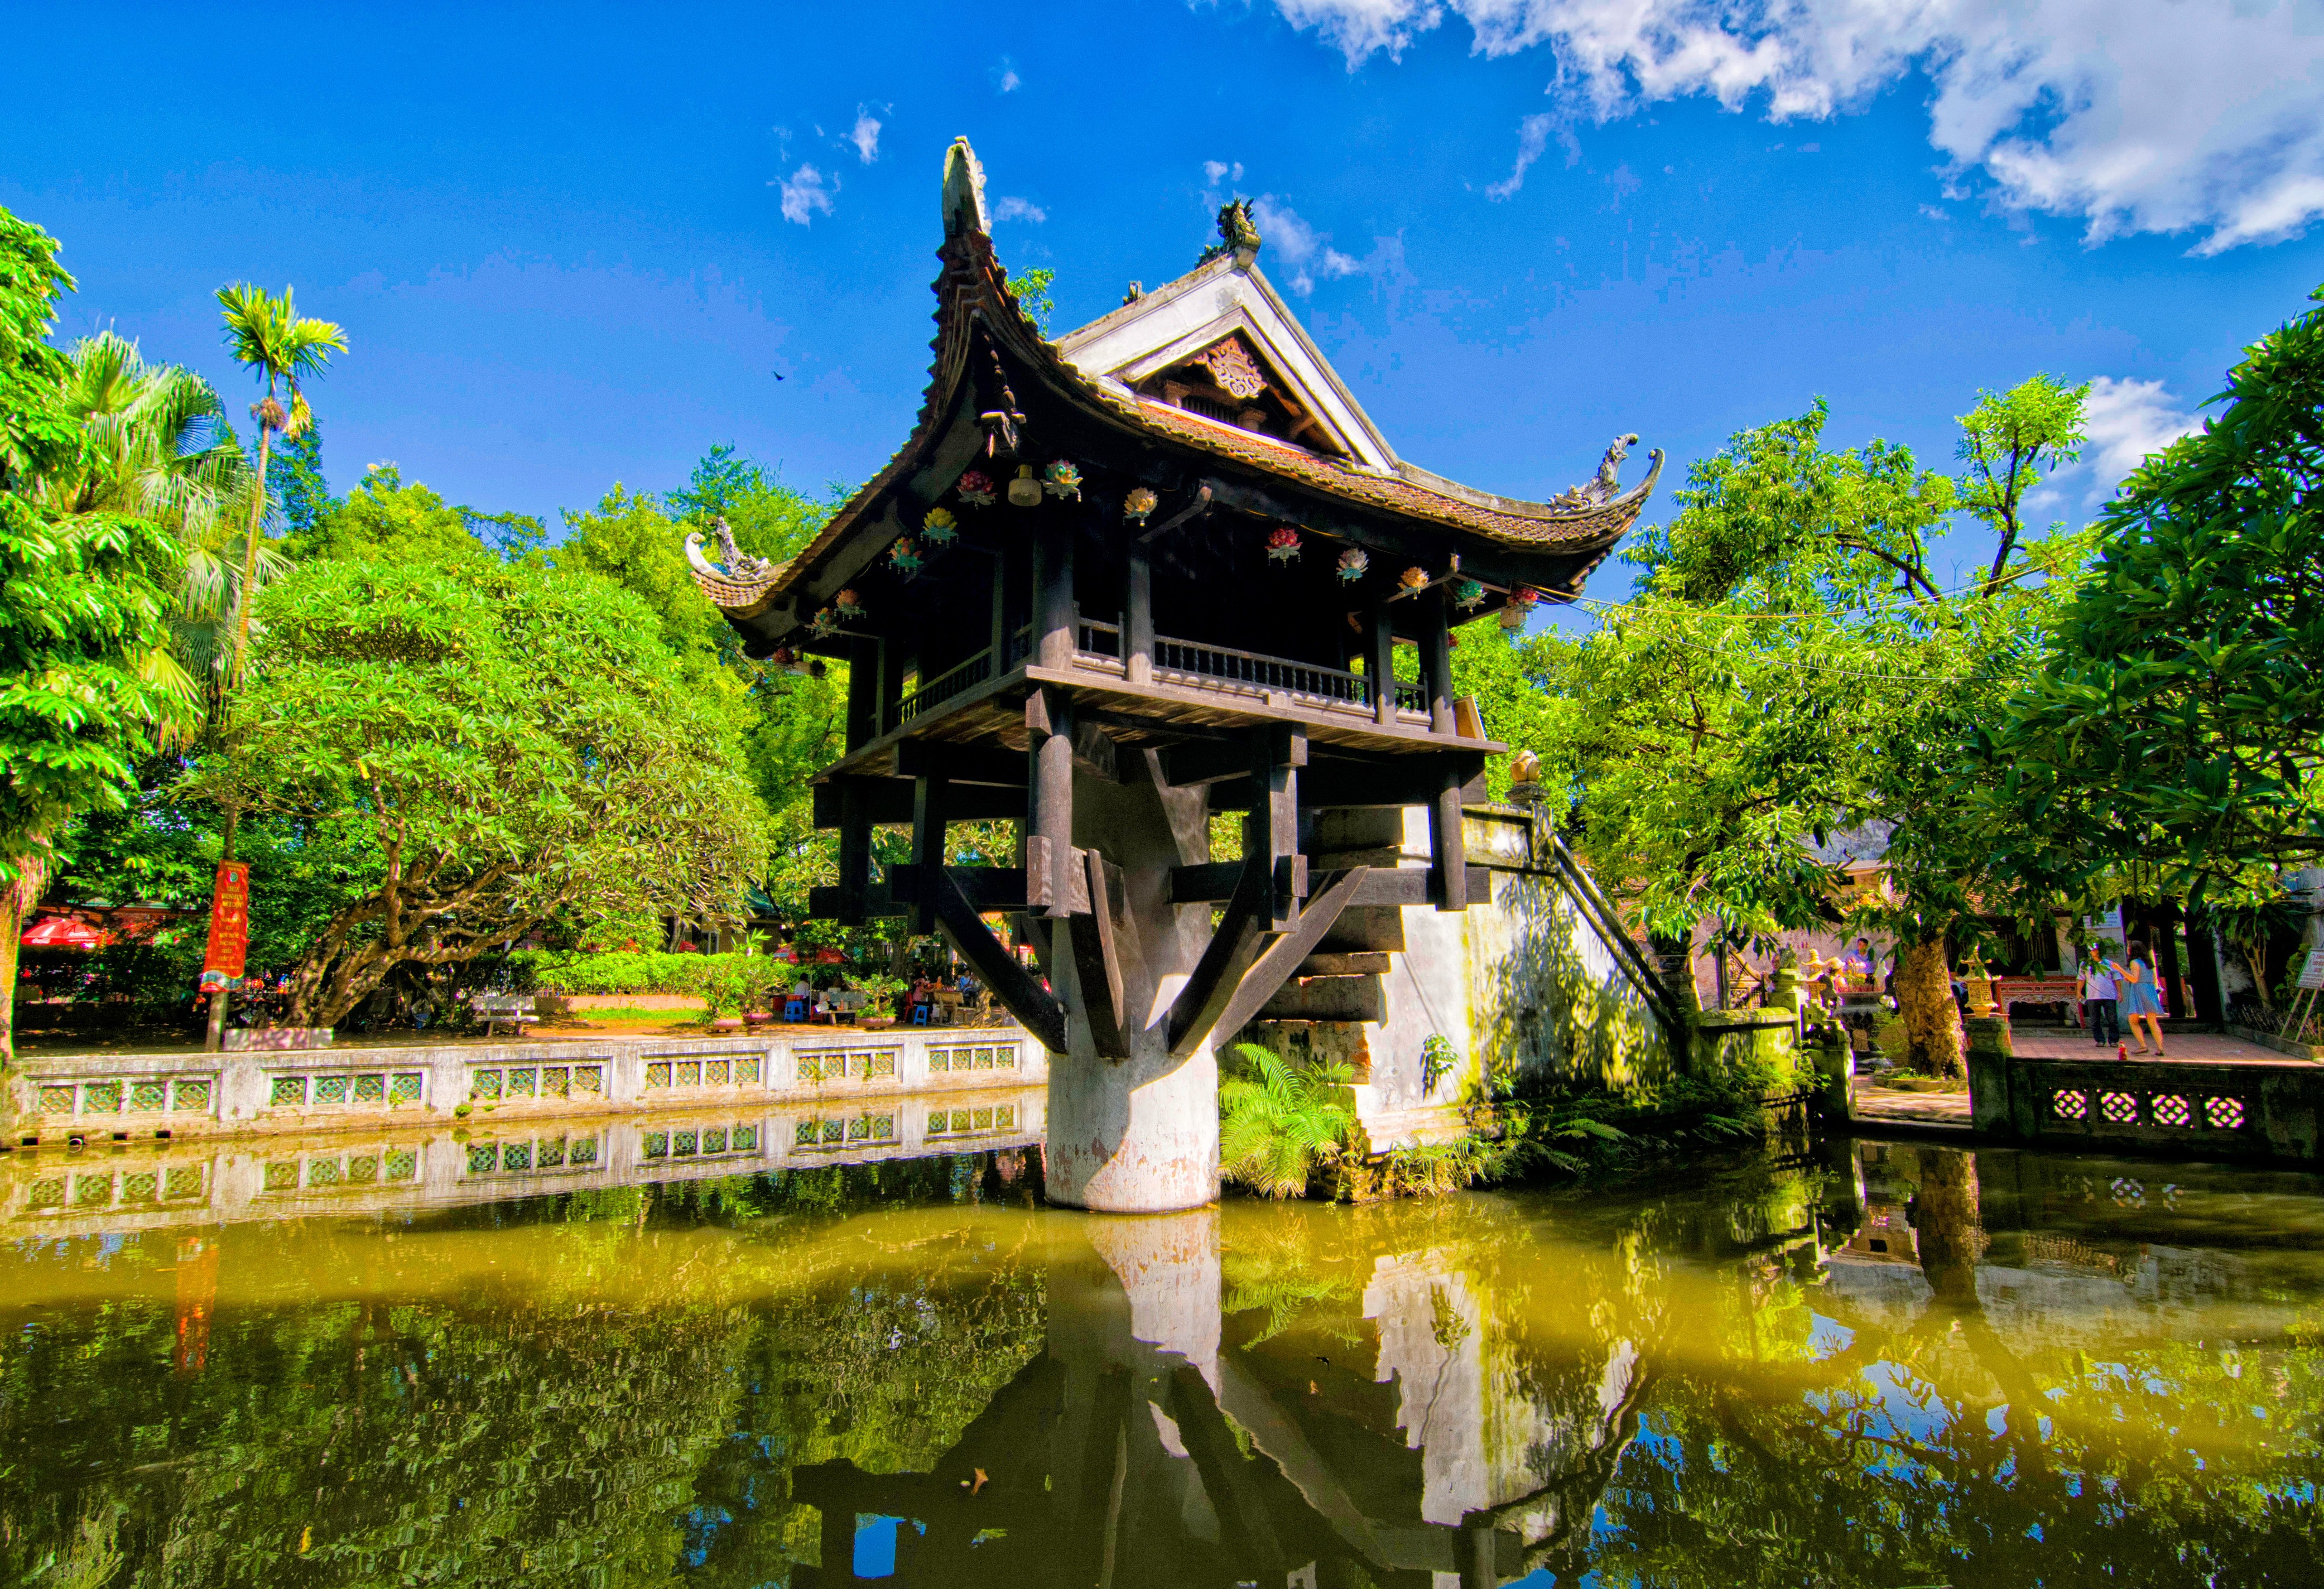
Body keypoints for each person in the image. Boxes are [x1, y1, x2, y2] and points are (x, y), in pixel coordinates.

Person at [2108, 940, 2167, 1057]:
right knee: (2152, 1021)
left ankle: (2143, 1046)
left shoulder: (2134, 962)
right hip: (2150, 990)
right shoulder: (2148, 963)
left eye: (2129, 948)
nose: (2128, 950)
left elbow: (2134, 979)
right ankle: (2160, 1048)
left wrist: (2120, 969)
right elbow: (2153, 980)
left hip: (2139, 991)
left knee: (2133, 1020)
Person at [2080, 954, 2120, 1048]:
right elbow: (2081, 978)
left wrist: (2120, 992)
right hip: (2092, 996)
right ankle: (2100, 1040)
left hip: (2109, 995)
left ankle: (2114, 1040)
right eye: (2092, 950)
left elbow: (2117, 979)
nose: (2095, 952)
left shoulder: (2109, 964)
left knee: (2113, 1019)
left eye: (2097, 950)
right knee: (2095, 1020)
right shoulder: (2085, 964)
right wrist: (2078, 992)